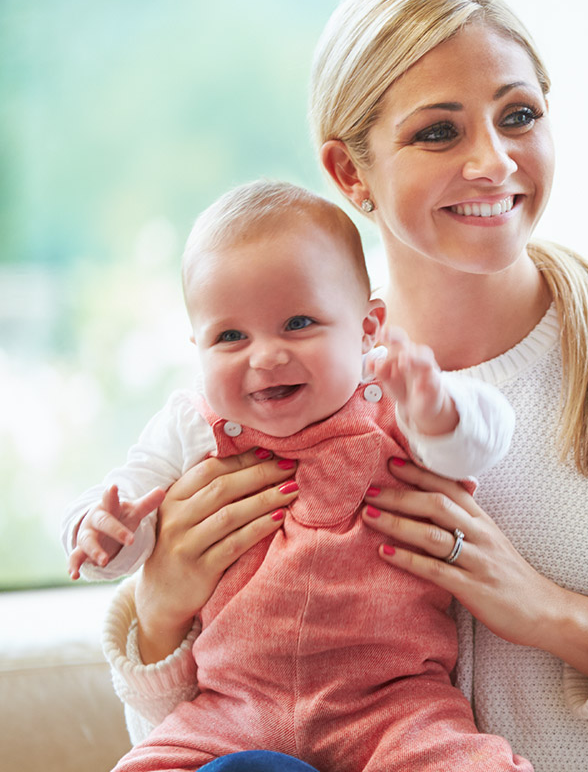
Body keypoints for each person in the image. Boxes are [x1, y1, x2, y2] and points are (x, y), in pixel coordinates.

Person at [96, 0, 588, 772]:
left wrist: (553, 616)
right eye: (439, 131)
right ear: (349, 171)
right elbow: (199, 746)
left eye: (519, 115)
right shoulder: (278, 385)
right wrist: (158, 614)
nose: (494, 162)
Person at [63, 180, 527, 772]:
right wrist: (101, 531)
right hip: (231, 708)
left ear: (368, 330)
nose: (264, 356)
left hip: (390, 705)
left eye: (298, 323)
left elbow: (483, 443)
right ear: (196, 346)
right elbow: (131, 505)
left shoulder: (396, 407)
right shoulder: (192, 426)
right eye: (230, 336)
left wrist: (438, 406)